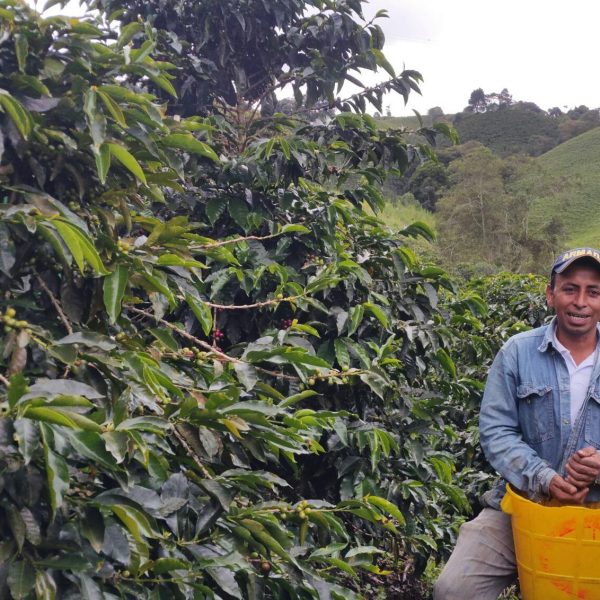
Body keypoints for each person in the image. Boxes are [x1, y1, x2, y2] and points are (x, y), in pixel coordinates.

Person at [434, 248, 600, 600]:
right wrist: (544, 478)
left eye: (593, 291)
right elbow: (496, 430)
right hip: (523, 505)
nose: (581, 302)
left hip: (595, 514)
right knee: (455, 589)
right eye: (570, 289)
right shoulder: (518, 352)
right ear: (550, 294)